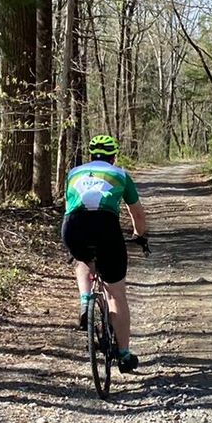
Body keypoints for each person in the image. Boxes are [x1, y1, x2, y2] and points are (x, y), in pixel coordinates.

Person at [62, 135, 149, 373]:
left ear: (91, 156)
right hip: (106, 229)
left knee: (82, 259)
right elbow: (137, 214)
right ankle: (124, 355)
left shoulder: (73, 173)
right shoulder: (120, 174)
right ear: (113, 157)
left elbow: (69, 205)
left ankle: (85, 301)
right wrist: (139, 236)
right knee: (116, 295)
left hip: (73, 226)